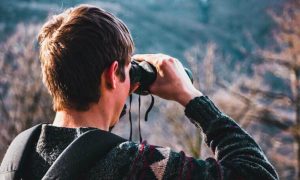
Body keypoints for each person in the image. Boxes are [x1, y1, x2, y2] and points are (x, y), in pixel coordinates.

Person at [3, 4, 278, 180]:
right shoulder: (134, 164)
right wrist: (191, 96)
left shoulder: (18, 155)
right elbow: (258, 174)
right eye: (127, 70)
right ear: (112, 75)